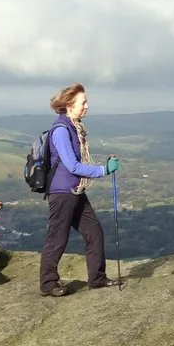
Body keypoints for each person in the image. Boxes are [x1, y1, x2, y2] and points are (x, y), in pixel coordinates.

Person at [39, 83, 118, 297]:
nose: (87, 106)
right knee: (57, 238)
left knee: (94, 233)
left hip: (76, 191)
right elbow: (71, 165)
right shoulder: (61, 131)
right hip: (62, 193)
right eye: (83, 103)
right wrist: (104, 170)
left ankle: (97, 278)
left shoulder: (74, 127)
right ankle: (48, 283)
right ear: (69, 105)